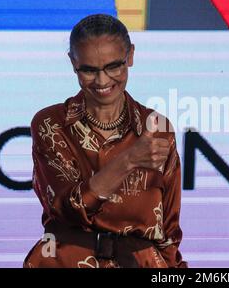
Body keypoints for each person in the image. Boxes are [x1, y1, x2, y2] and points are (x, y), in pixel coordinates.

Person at [24, 14, 186, 268]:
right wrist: (129, 160)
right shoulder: (50, 124)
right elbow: (68, 208)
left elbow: (168, 232)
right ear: (72, 62)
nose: (102, 81)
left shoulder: (158, 128)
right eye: (88, 70)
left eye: (113, 66)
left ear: (130, 56)